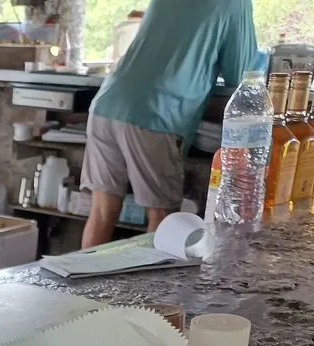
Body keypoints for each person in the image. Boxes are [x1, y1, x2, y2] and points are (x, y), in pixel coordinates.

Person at [80, 0, 258, 248]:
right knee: (163, 217)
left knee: (101, 212)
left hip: (108, 104)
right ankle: (150, 288)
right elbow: (241, 73)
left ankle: (83, 285)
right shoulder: (233, 3)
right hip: (157, 112)